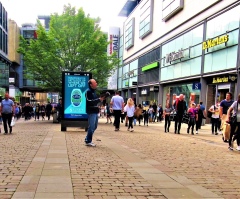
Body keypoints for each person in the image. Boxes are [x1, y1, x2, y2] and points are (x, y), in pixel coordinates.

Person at [85, 79, 105, 146]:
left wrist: (100, 100)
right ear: (91, 85)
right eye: (95, 83)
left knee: (95, 126)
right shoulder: (88, 92)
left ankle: (87, 138)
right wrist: (98, 99)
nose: (96, 83)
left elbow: (95, 101)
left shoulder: (94, 92)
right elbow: (90, 101)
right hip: (91, 111)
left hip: (95, 111)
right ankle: (88, 141)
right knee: (92, 126)